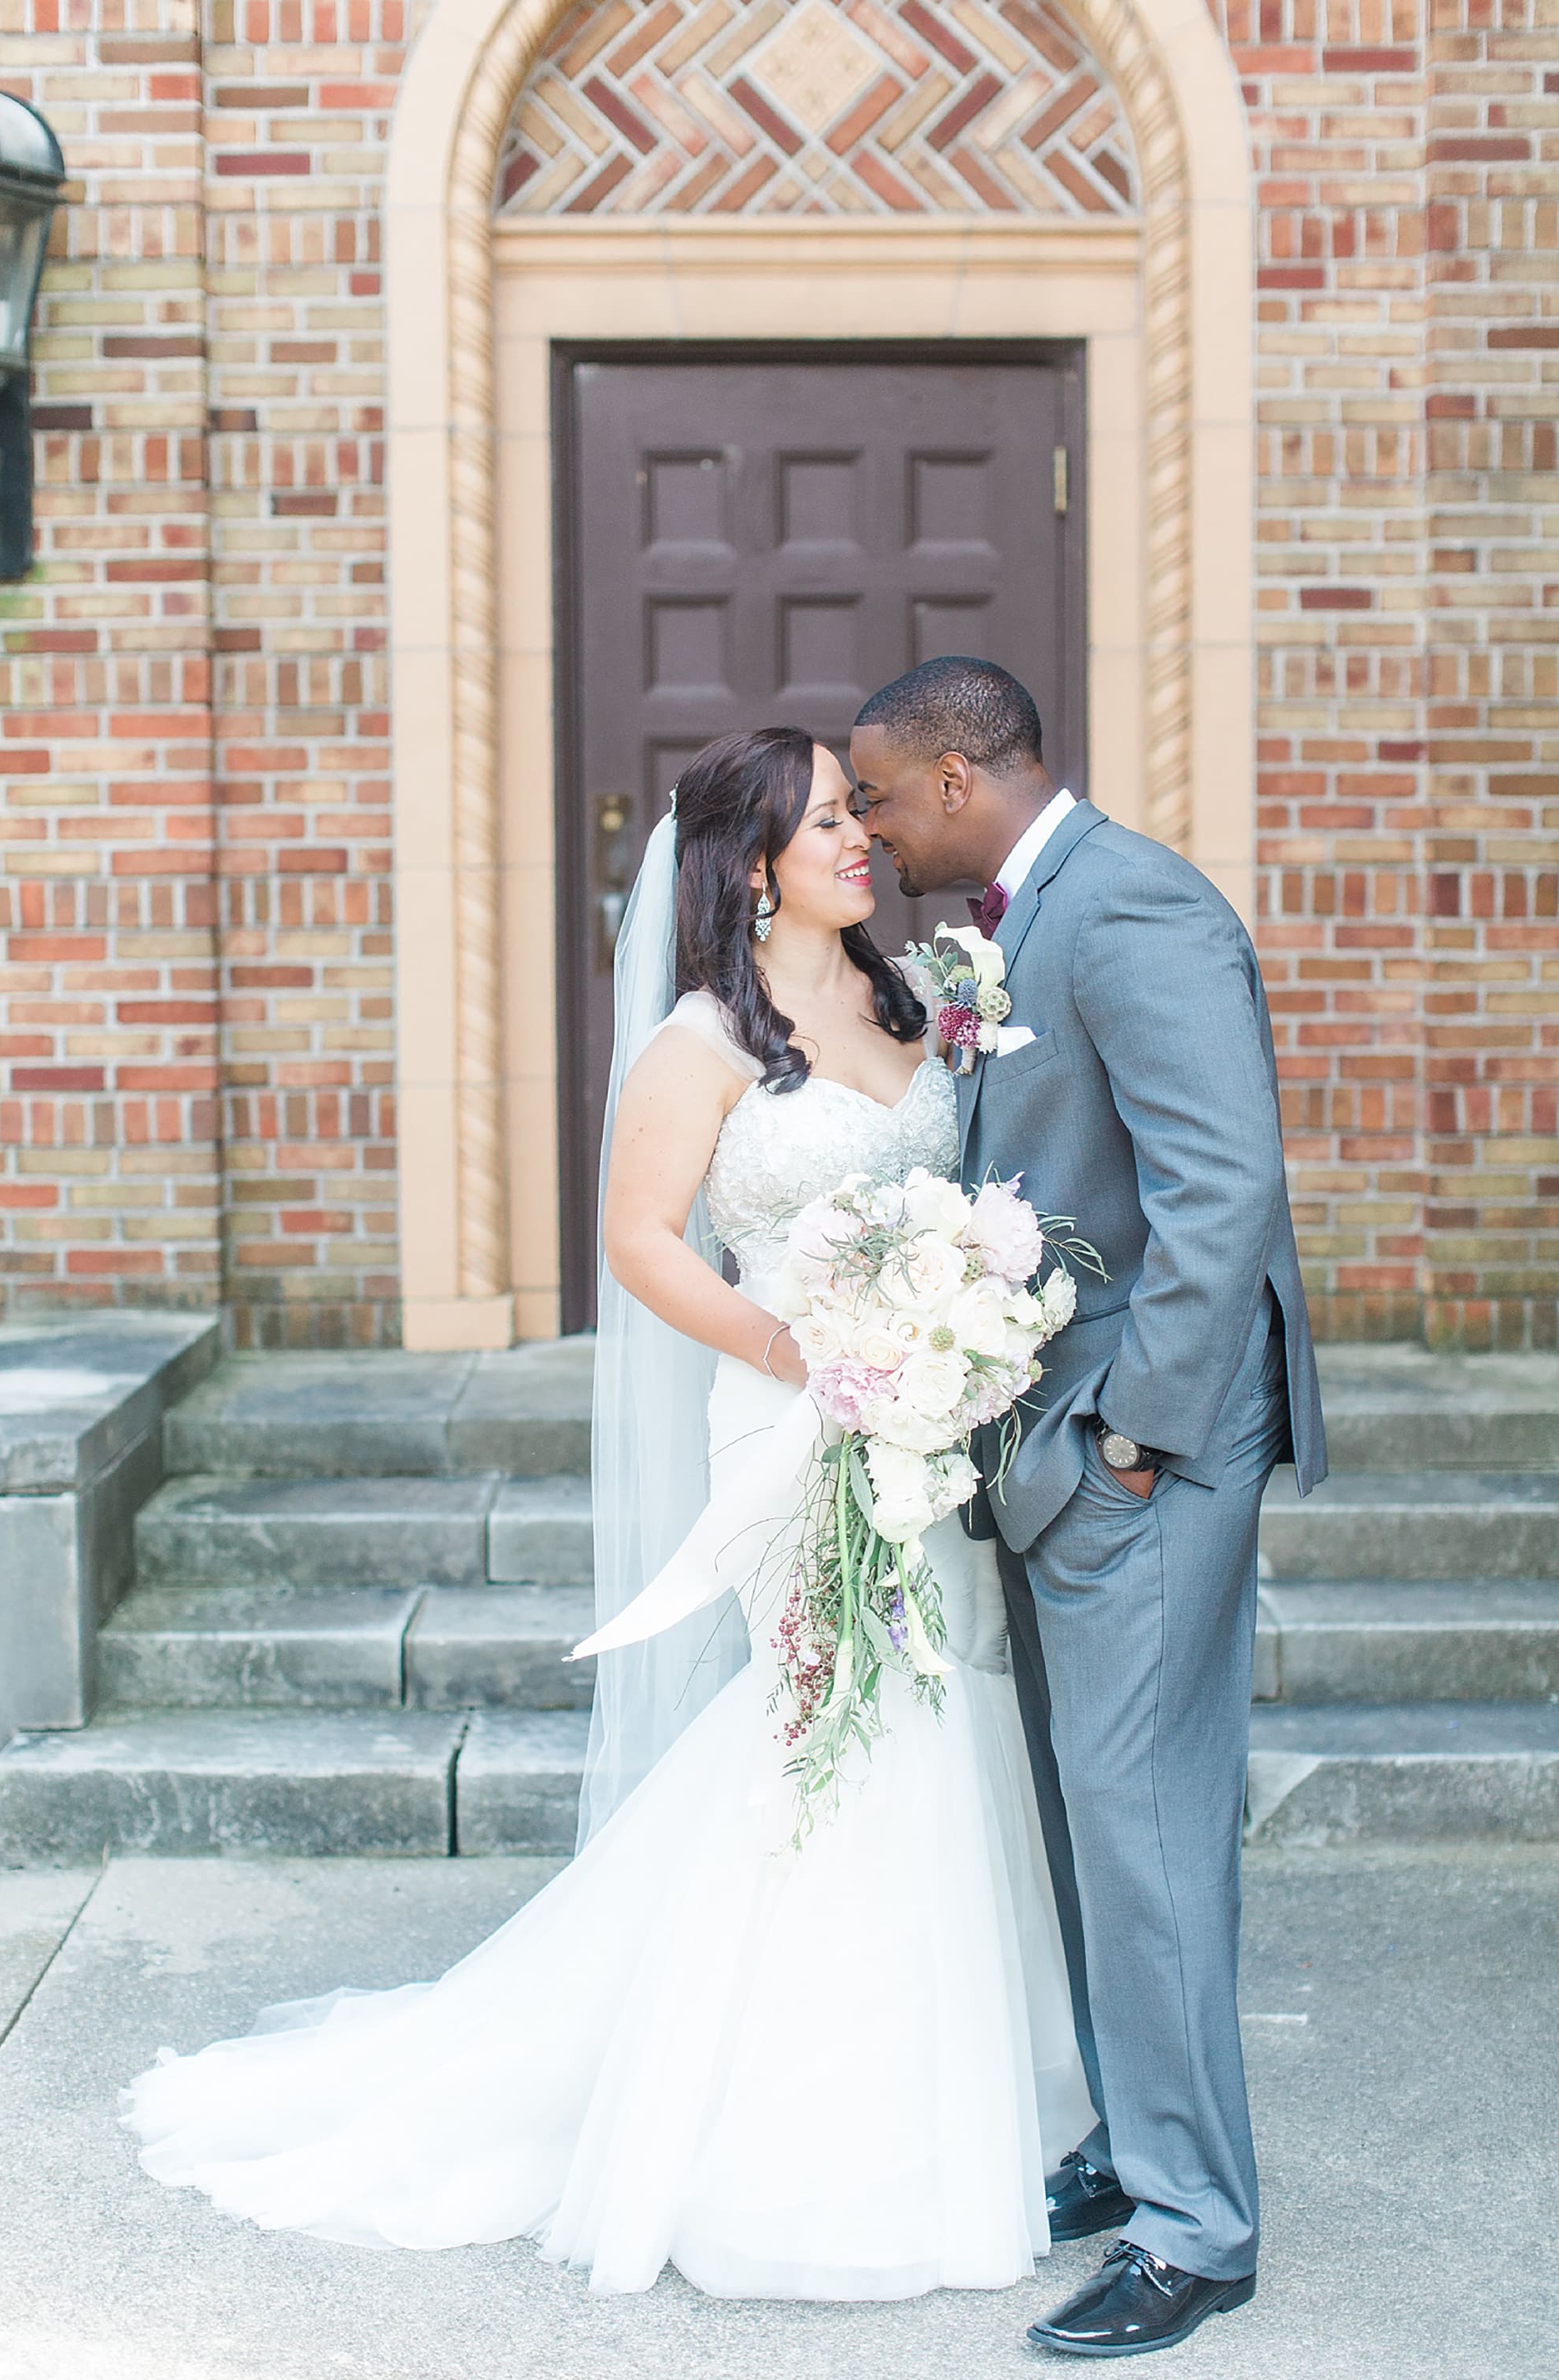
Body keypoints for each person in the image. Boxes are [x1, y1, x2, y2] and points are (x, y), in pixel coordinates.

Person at [121, 725, 1092, 2299]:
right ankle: (799, 2142)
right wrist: (803, 1353)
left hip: (931, 1410)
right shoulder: (704, 1040)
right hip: (786, 1411)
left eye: (862, 814)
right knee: (829, 1711)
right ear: (754, 860)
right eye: (833, 820)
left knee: (942, 1706)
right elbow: (642, 1241)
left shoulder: (916, 1002)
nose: (865, 839)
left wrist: (951, 1321)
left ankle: (965, 2090)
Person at [850, 656, 1326, 2359]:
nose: (869, 824)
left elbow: (1225, 1193)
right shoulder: (1021, 910)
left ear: (963, 774)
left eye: (881, 794)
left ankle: (1200, 2233)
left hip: (1141, 1449)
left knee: (1144, 1831)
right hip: (1051, 1447)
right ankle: (1138, 2148)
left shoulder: (1133, 910)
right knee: (1090, 1826)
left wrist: (1131, 1441)